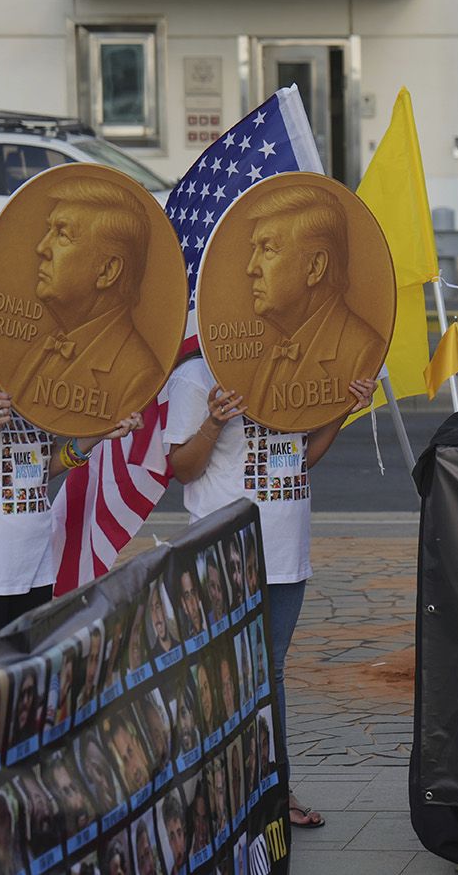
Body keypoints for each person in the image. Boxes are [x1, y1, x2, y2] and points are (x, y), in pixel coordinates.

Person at [165, 348, 372, 830]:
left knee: (268, 673)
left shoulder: (296, 365)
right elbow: (183, 468)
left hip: (285, 553)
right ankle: (211, 796)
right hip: (225, 551)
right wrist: (214, 423)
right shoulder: (196, 377)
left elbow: (300, 457)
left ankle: (272, 790)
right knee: (222, 676)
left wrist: (343, 408)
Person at [0, 254, 142, 645]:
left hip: (35, 563)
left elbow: (41, 469)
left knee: (24, 686)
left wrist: (96, 434)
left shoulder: (34, 376)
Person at [8, 176, 164, 424]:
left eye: (62, 235)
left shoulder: (139, 376)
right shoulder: (40, 350)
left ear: (107, 270)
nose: (42, 247)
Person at [241, 185, 388, 412]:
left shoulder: (362, 350)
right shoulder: (276, 351)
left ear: (315, 267)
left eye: (268, 249)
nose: (251, 268)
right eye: (254, 249)